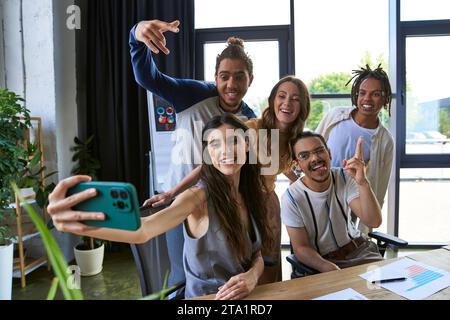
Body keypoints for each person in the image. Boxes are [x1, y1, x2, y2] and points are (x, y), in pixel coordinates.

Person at [47, 113, 273, 299]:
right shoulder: (197, 197)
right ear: (207, 152)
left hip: (248, 298)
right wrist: (82, 223)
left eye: (233, 140)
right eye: (215, 143)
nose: (225, 151)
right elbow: (145, 229)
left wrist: (252, 276)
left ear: (246, 145)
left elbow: (257, 255)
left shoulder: (250, 193)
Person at [146, 76, 311, 283]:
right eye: (282, 96)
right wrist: (173, 192)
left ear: (302, 106)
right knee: (243, 263)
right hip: (246, 200)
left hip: (269, 205)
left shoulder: (294, 140)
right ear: (273, 100)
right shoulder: (252, 128)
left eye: (295, 99)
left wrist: (303, 183)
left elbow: (279, 166)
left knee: (270, 267)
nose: (287, 103)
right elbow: (207, 164)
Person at [130, 19, 257, 287]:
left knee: (224, 277)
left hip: (222, 207)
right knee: (179, 277)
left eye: (239, 76)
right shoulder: (192, 94)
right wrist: (136, 37)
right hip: (181, 200)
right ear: (215, 77)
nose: (231, 84)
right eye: (224, 76)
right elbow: (148, 78)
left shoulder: (249, 119)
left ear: (251, 79)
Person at [281, 131, 383, 272]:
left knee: (386, 291)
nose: (315, 158)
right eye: (305, 156)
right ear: (296, 165)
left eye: (319, 150)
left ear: (329, 153)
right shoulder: (291, 198)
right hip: (324, 262)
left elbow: (373, 221)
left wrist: (363, 182)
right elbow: (301, 248)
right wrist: (328, 268)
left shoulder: (344, 177)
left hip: (360, 251)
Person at [315, 64, 393, 233]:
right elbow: (313, 145)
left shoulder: (385, 140)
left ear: (385, 99)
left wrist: (365, 231)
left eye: (376, 94)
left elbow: (379, 188)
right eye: (363, 92)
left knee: (342, 247)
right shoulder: (336, 115)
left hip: (350, 203)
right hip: (318, 193)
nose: (367, 99)